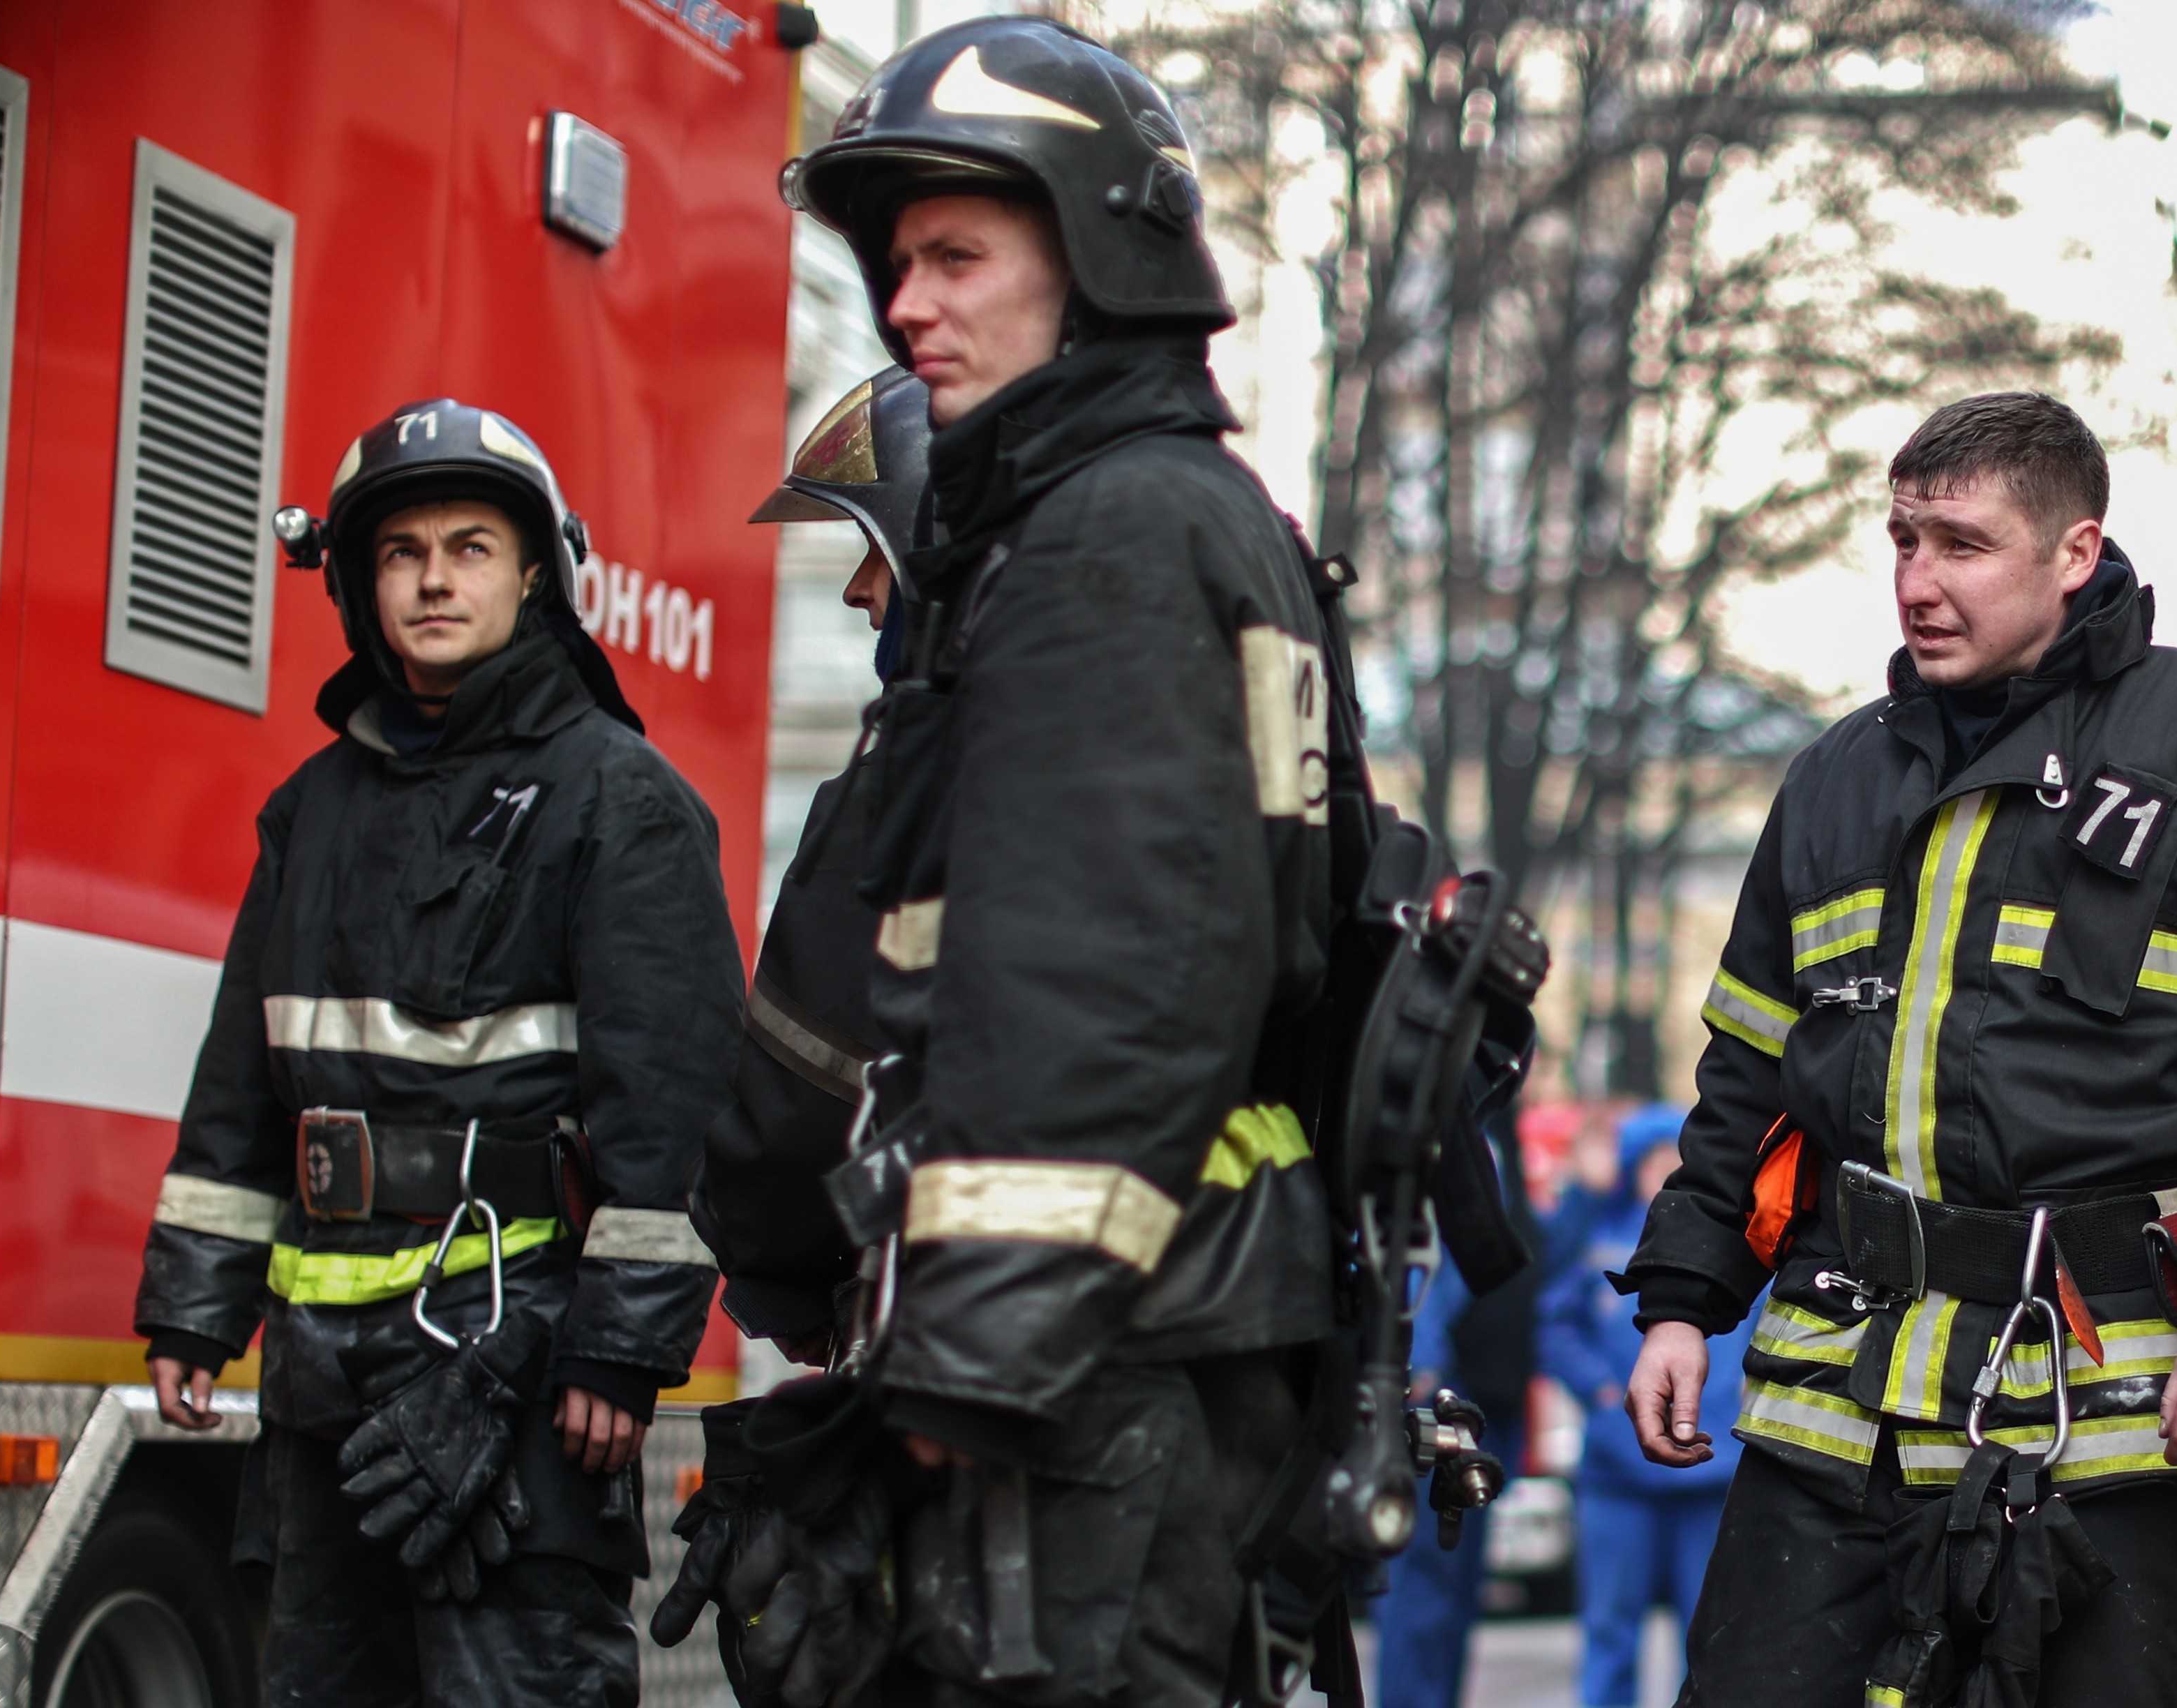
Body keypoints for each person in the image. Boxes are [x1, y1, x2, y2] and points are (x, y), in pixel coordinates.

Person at [1615, 391, 2177, 1706]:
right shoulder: (1834, 779)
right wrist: (1681, 1297)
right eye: (1900, 540)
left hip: (2109, 1422)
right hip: (1837, 1406)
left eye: (1961, 544)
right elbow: (1749, 1076)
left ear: (2074, 552)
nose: (1916, 581)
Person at [722, 17, 1342, 1707]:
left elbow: (1109, 976)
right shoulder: (1160, 514)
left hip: (1081, 1368)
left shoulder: (1112, 533)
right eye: (895, 262)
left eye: (956, 255)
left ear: (1099, 255)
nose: (906, 305)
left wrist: (964, 1365)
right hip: (1135, 1341)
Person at [133, 400, 742, 1708]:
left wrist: (615, 1353)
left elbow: (675, 1104)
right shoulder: (310, 810)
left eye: (470, 545)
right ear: (358, 583)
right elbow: (243, 1082)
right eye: (400, 551)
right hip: (320, 1384)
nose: (432, 577)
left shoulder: (616, 798)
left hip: (513, 1374)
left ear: (535, 574)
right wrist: (194, 1302)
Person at [687, 364, 930, 1365]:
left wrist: (771, 1268)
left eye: (875, 550)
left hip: (941, 1348)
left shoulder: (914, 774)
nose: (858, 589)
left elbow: (802, 1102)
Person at [1539, 1111, 1746, 1708]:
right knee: (1609, 1631)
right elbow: (1553, 1325)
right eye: (1653, 1157)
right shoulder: (1599, 1240)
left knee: (1708, 1634)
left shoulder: (1735, 1247)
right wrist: (1603, 1398)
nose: (1664, 1169)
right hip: (1615, 1471)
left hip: (1710, 1469)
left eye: (1674, 1156)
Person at [1373, 1108, 1544, 1708]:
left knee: (1459, 1586)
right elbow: (1422, 1257)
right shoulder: (1455, 1132)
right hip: (1445, 1395)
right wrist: (1424, 1364)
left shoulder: (1500, 1140)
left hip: (1490, 1394)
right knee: (1425, 1584)